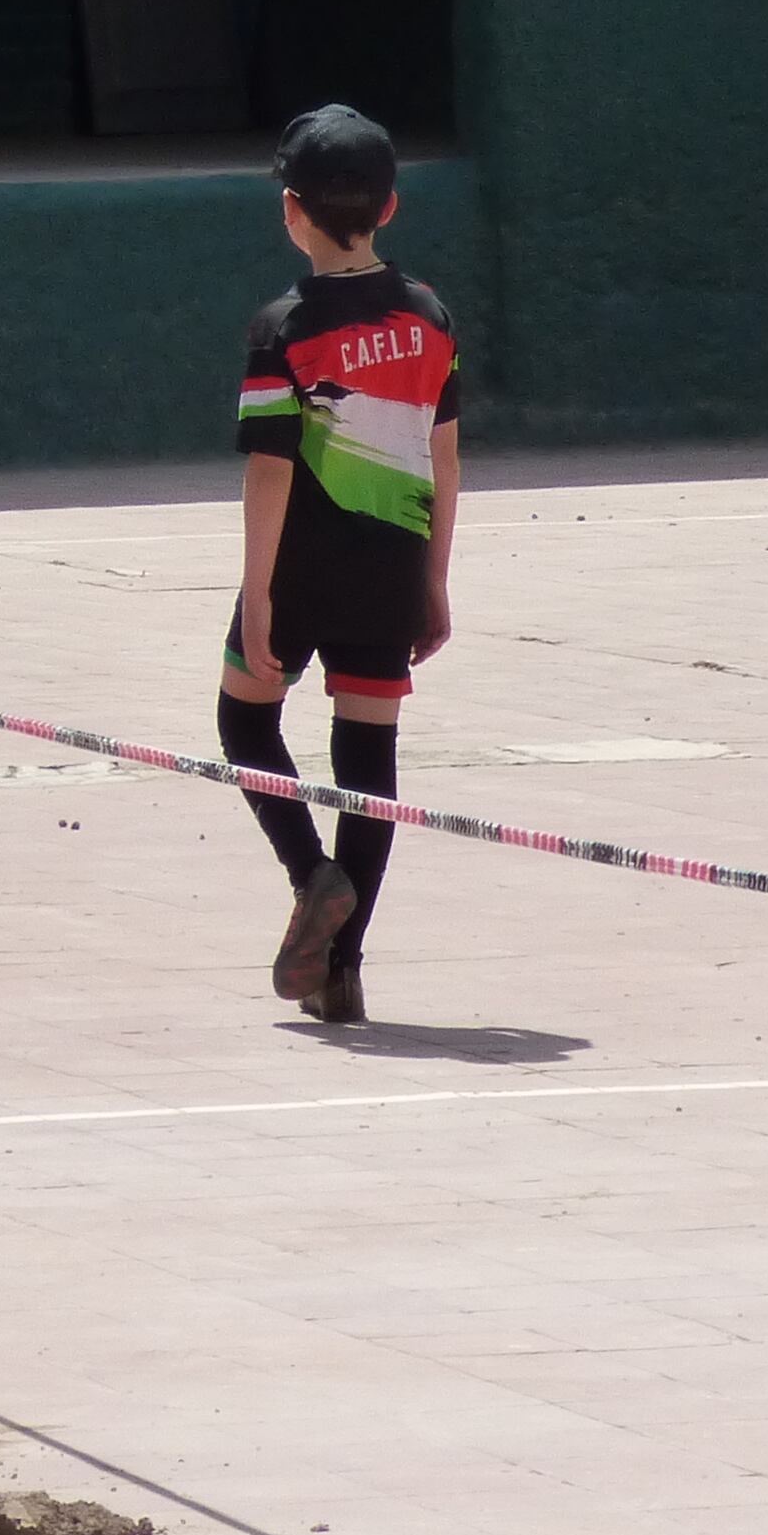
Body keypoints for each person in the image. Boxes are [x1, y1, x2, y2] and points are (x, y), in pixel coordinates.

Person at [221, 103, 459, 1025]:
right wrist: (433, 582)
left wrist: (257, 599)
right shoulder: (431, 317)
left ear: (292, 210)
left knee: (243, 727)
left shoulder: (284, 327)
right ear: (391, 208)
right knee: (369, 765)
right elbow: (445, 460)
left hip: (300, 569)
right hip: (391, 570)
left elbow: (270, 477)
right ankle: (342, 970)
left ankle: (310, 874)